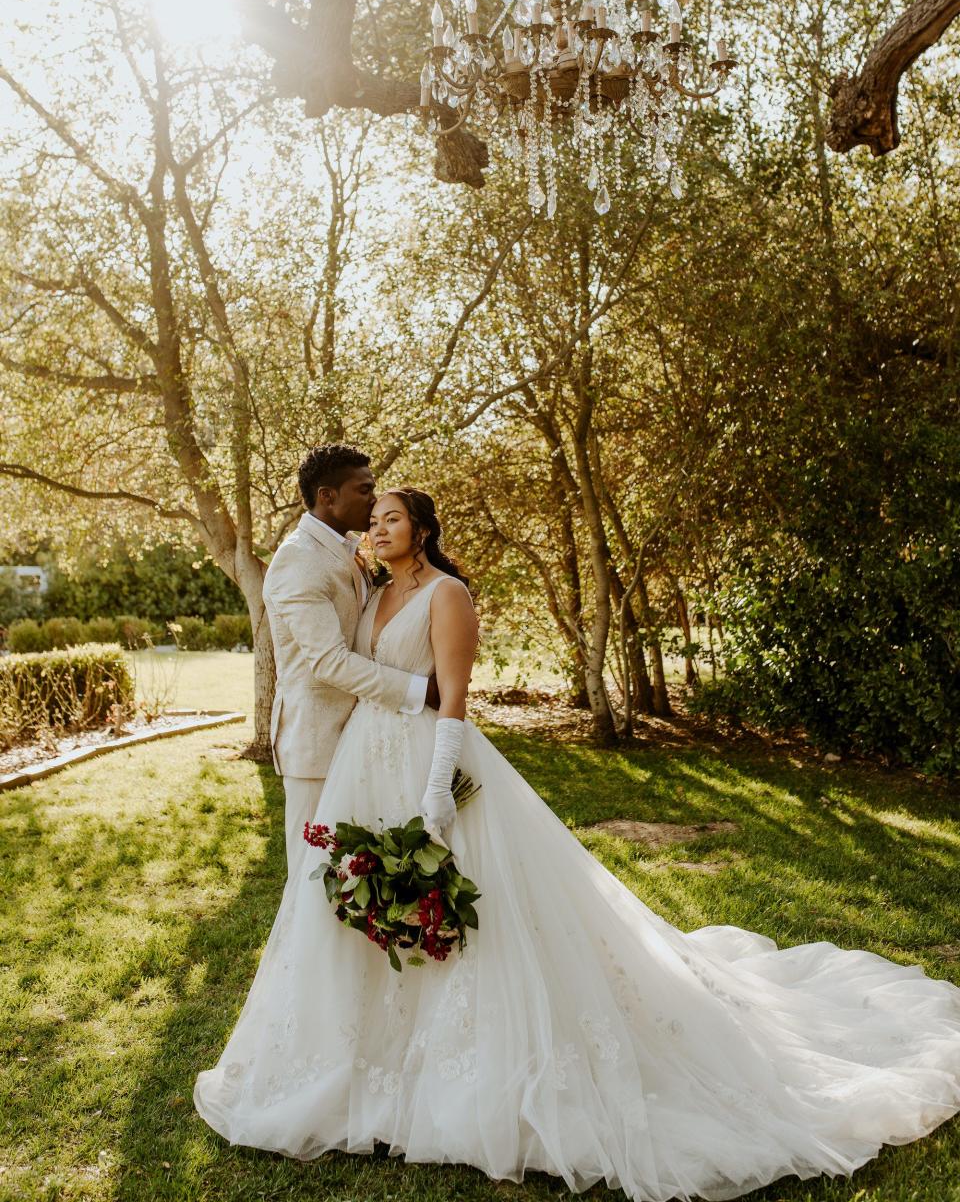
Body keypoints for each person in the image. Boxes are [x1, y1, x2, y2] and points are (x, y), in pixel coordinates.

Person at [196, 487, 960, 1201]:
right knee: (369, 905)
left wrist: (435, 791)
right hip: (367, 764)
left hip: (432, 762)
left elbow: (454, 699)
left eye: (392, 517)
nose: (378, 527)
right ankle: (369, 1061)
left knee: (470, 917)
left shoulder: (446, 594)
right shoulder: (372, 589)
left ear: (422, 531)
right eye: (374, 519)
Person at [262, 445, 438, 876]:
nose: (374, 500)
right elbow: (329, 662)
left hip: (363, 739)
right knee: (312, 878)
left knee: (353, 877)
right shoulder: (299, 559)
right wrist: (420, 690)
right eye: (365, 490)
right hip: (316, 744)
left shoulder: (347, 550)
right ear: (328, 496)